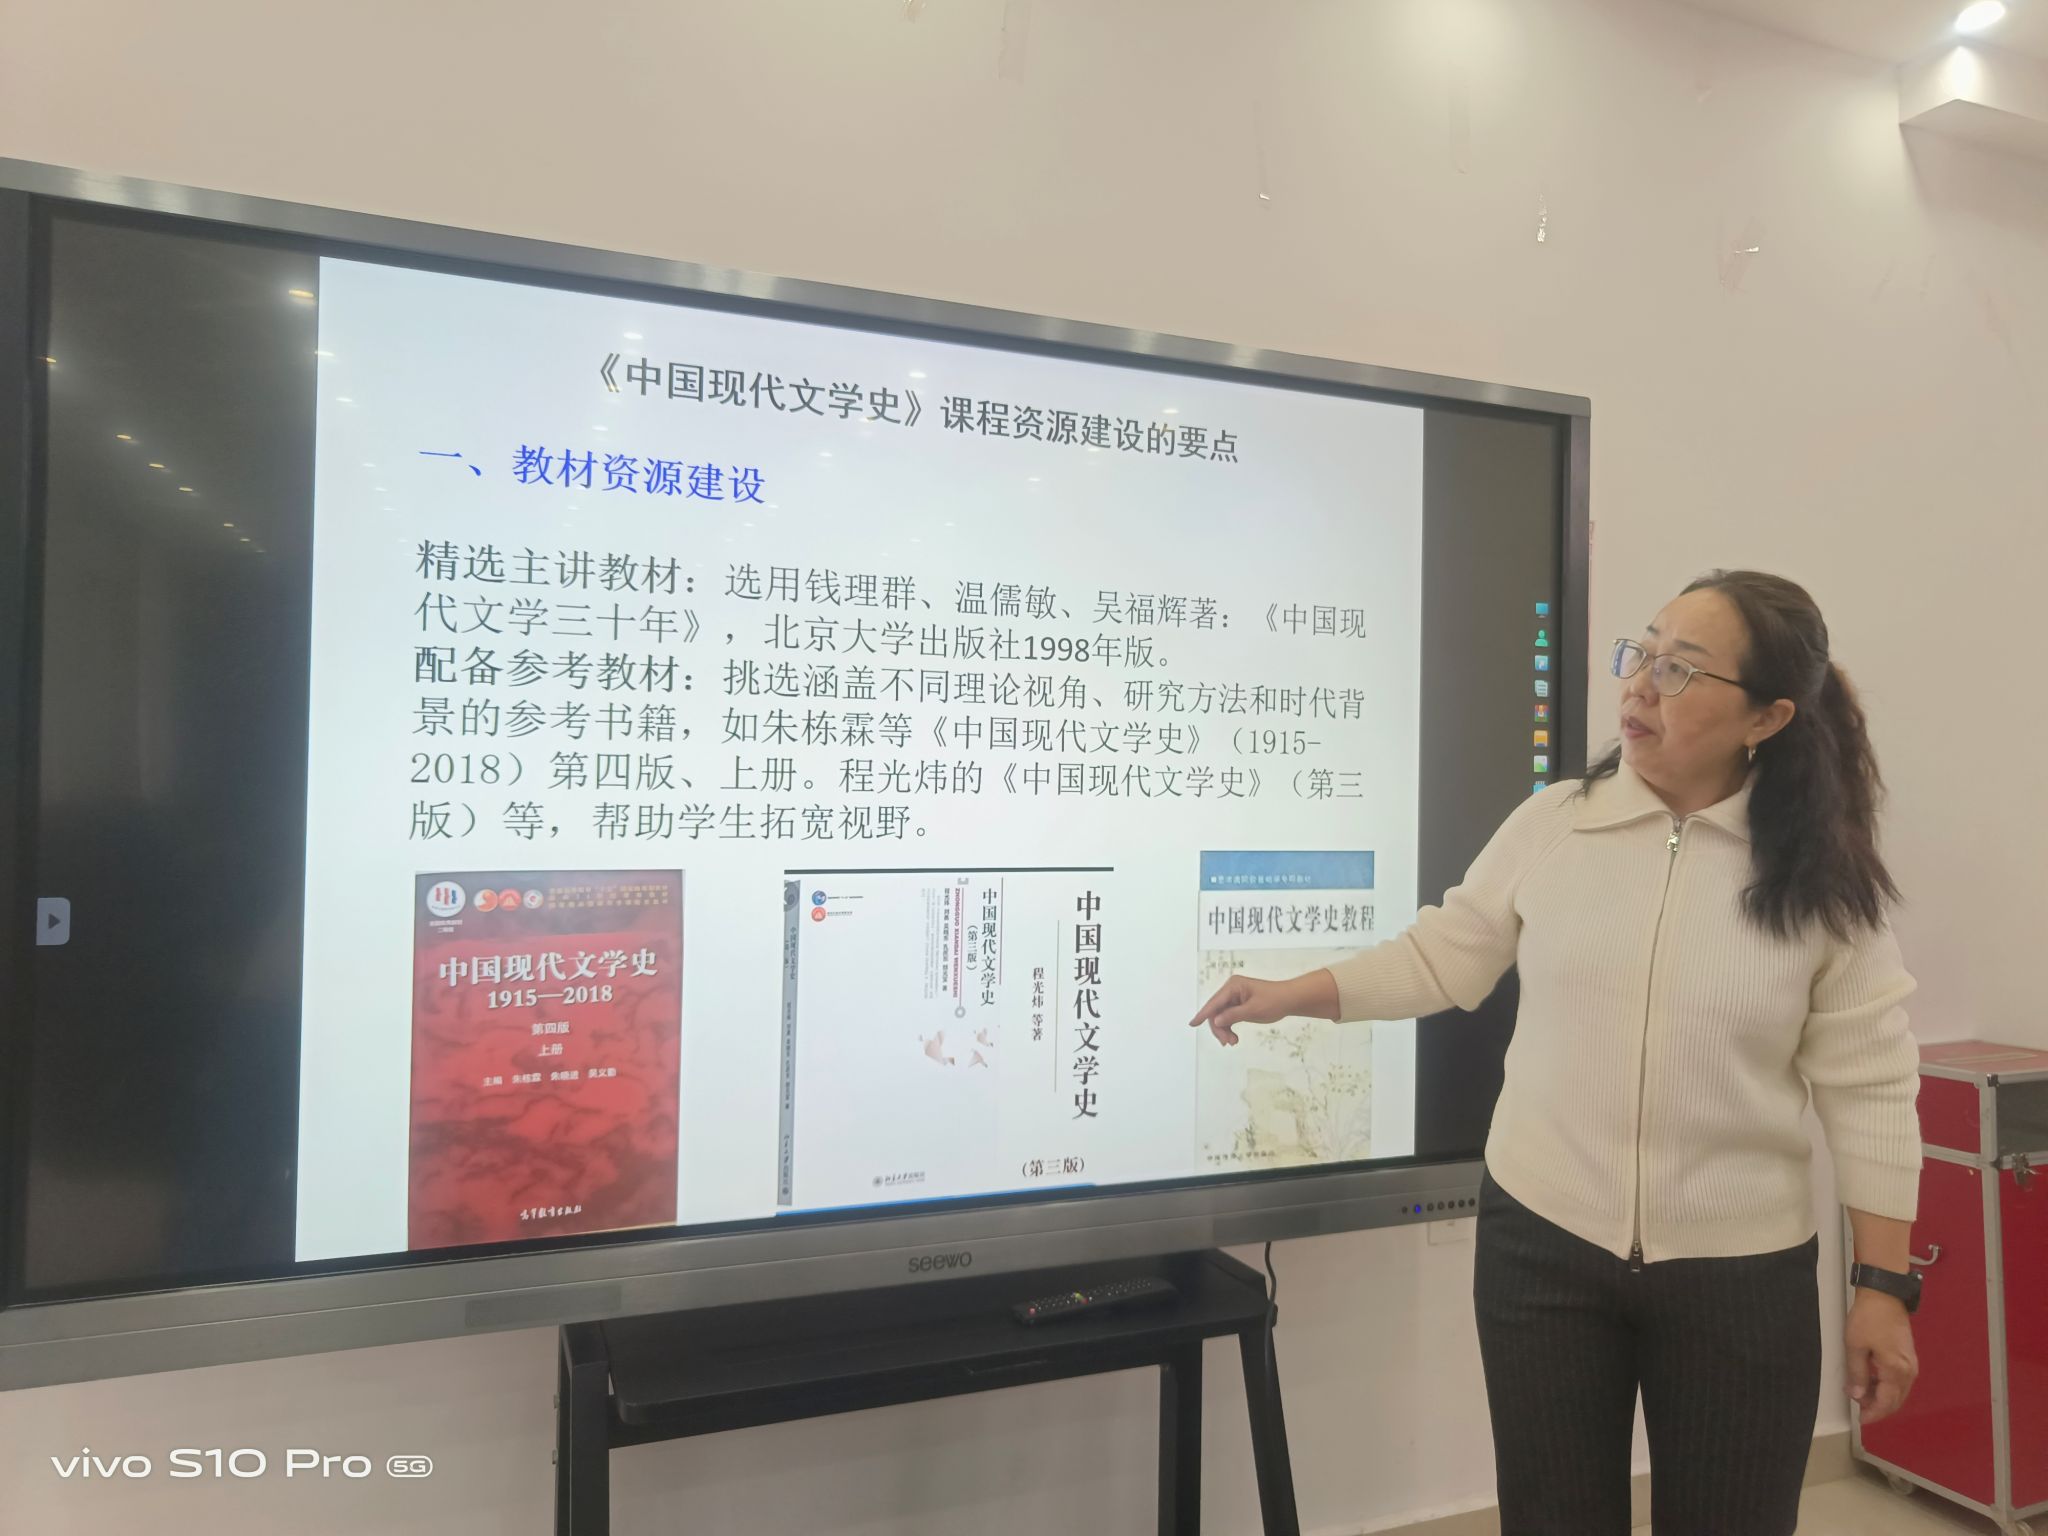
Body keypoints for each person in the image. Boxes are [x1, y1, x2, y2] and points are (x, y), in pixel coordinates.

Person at [1190, 570, 1922, 1536]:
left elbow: (1871, 1086)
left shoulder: (1822, 879)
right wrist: (1296, 993)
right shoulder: (1557, 826)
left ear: (1767, 716)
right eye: (1642, 653)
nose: (1639, 686)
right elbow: (1443, 956)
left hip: (1741, 1275)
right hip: (1542, 1248)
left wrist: (1883, 1289)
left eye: (1680, 670)